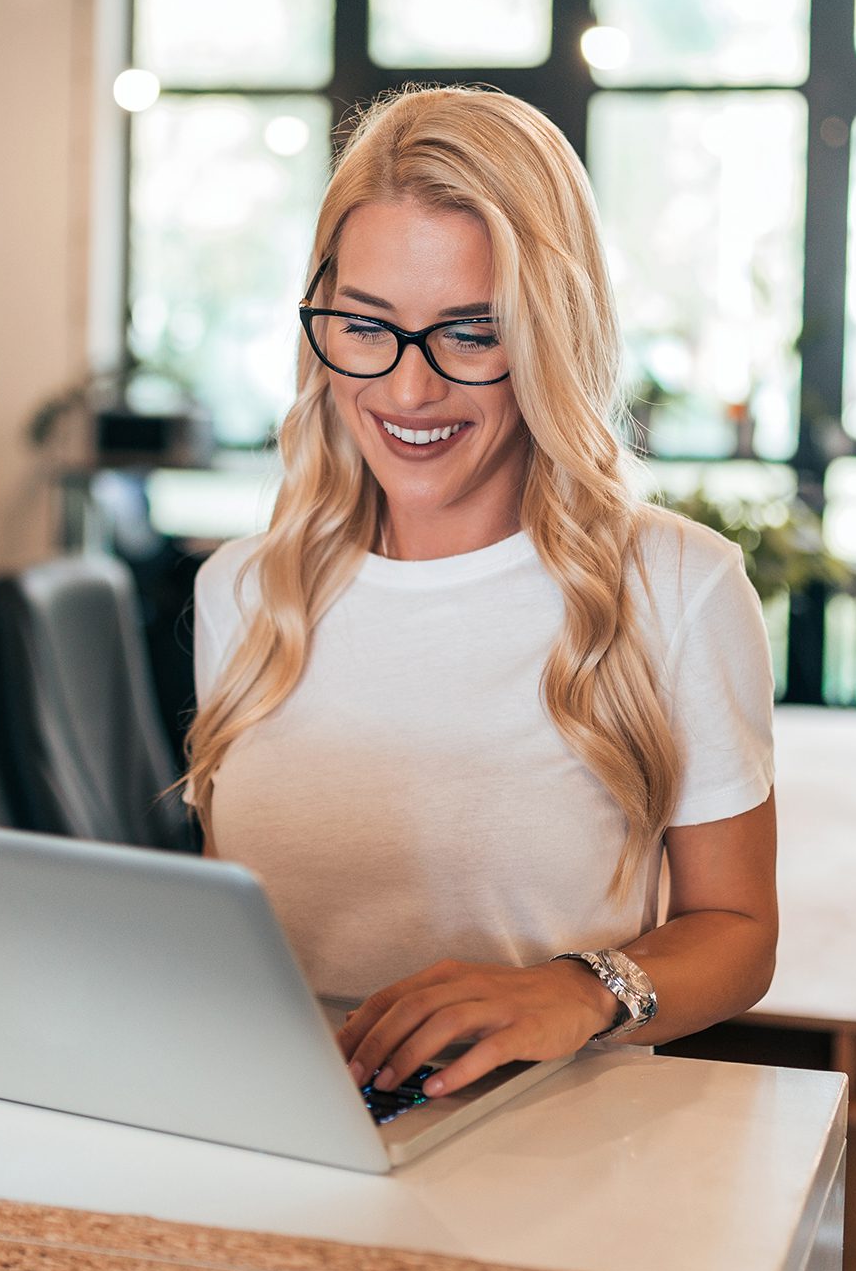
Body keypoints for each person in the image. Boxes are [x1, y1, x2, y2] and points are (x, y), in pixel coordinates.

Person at [187, 86, 779, 1102]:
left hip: (552, 1157)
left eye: (471, 333)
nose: (408, 392)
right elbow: (233, 926)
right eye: (365, 327)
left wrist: (580, 989)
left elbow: (738, 934)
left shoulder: (675, 584)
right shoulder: (244, 589)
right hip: (281, 1134)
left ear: (550, 333)